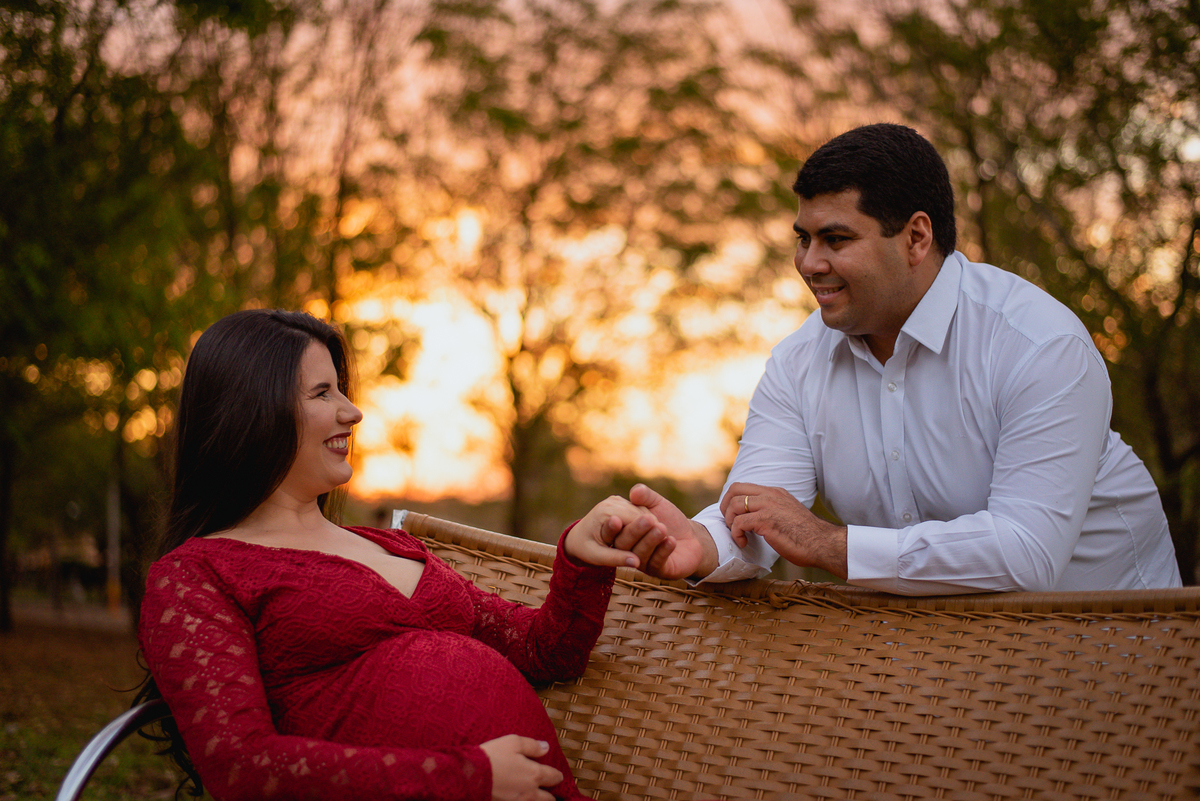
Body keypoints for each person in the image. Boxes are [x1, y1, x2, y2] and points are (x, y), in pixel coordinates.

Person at [597, 123, 1181, 596]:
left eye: (836, 239)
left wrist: (829, 544)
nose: (809, 263)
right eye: (803, 238)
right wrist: (699, 544)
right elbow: (759, 515)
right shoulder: (797, 363)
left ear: (916, 238)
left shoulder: (1039, 345)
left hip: (1122, 658)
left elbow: (1027, 553)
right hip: (940, 670)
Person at [135, 309, 669, 801]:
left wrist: (581, 559)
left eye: (342, 390)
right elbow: (241, 769)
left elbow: (544, 653)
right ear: (252, 410)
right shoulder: (196, 575)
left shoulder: (391, 546)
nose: (352, 412)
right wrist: (468, 778)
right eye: (322, 393)